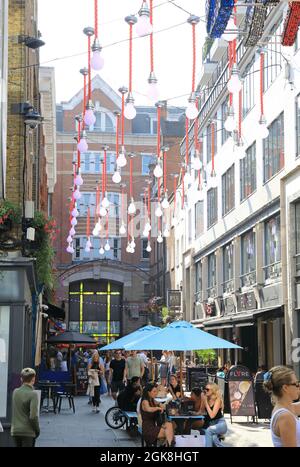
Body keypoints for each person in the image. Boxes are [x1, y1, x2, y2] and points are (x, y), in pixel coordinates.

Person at [264, 365, 300, 447]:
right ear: (285, 388)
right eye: (296, 384)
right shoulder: (285, 416)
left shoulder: (286, 408)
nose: (299, 387)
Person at [11, 368, 40, 447]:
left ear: (21, 379)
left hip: (16, 431)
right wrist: (37, 430)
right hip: (28, 432)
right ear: (33, 379)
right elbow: (33, 416)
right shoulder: (33, 394)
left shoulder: (15, 392)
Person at [141, 383, 175, 447]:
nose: (156, 393)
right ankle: (167, 445)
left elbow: (162, 405)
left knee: (170, 425)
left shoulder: (153, 400)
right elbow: (148, 409)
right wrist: (157, 408)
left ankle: (167, 444)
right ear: (148, 392)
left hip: (154, 426)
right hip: (148, 429)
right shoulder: (145, 401)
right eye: (154, 391)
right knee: (170, 434)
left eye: (156, 391)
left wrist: (162, 405)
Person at [201, 383, 227, 447]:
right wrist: (203, 400)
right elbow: (201, 411)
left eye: (207, 389)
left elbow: (212, 415)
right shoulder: (206, 398)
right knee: (213, 439)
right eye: (204, 389)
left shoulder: (217, 400)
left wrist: (206, 403)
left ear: (213, 390)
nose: (205, 391)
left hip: (220, 423)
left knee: (208, 431)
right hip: (211, 424)